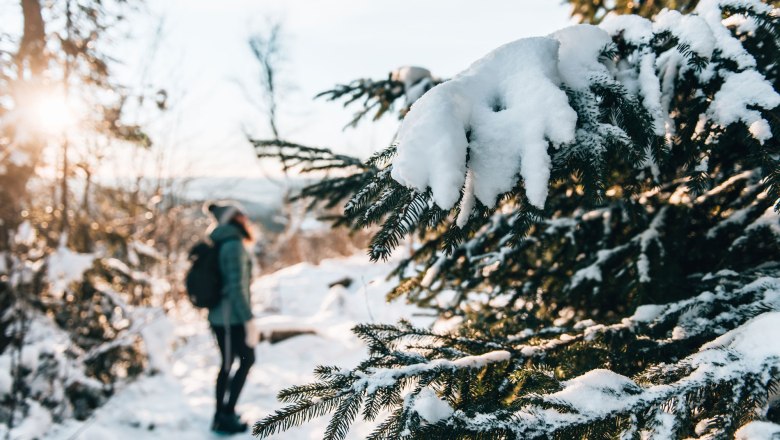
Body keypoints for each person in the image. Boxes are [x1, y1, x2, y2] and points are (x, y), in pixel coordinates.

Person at [205, 202, 257, 434]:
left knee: (234, 363)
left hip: (226, 316)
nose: (245, 216)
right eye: (240, 214)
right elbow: (236, 287)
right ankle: (223, 416)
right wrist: (249, 320)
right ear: (231, 219)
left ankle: (224, 412)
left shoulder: (226, 241)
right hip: (228, 318)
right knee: (238, 362)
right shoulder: (233, 245)